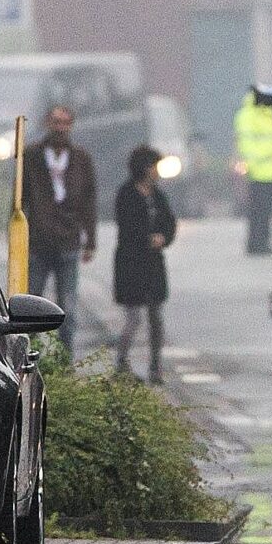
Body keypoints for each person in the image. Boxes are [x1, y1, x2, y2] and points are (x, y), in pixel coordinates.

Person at [20, 105, 99, 354]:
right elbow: (20, 198)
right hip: (39, 240)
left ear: (71, 126)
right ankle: (28, 357)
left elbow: (89, 201)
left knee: (68, 306)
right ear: (47, 123)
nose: (60, 127)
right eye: (56, 121)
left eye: (65, 122)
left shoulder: (81, 158)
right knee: (30, 304)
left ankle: (65, 362)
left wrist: (91, 240)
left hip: (69, 239)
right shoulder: (31, 155)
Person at [112, 145, 179, 382]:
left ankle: (156, 366)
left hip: (153, 263)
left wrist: (164, 237)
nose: (156, 171)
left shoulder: (158, 196)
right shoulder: (127, 194)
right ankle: (121, 362)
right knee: (133, 317)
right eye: (153, 166)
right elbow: (126, 226)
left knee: (156, 317)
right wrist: (145, 238)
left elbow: (170, 222)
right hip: (131, 262)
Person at [235, 90, 272, 256]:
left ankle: (263, 241)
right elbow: (246, 144)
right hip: (258, 171)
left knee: (267, 211)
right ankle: (256, 243)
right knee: (258, 211)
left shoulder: (270, 114)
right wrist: (256, 161)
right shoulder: (247, 115)